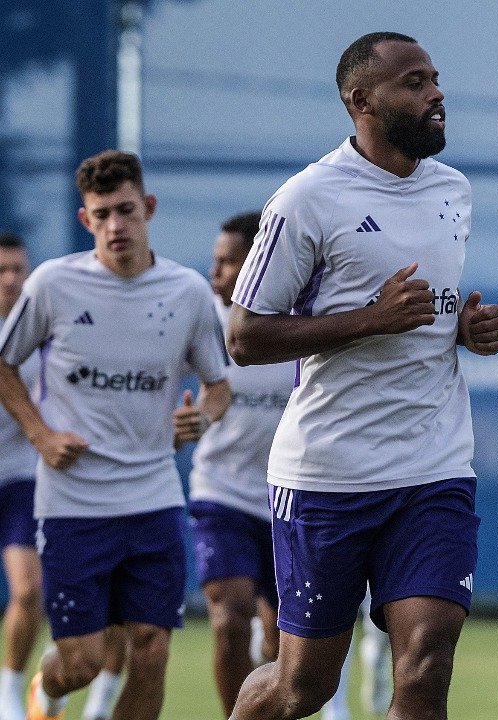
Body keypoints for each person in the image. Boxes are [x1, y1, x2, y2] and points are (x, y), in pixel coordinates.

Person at [224, 31, 498, 720]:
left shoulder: (453, 192)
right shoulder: (308, 199)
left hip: (433, 468)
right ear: (362, 101)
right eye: (414, 82)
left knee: (428, 656)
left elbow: (430, 315)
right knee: (303, 688)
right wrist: (369, 319)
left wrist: (468, 331)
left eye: (435, 78)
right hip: (329, 477)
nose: (435, 93)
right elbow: (244, 336)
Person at [0, 149, 231, 720]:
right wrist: (40, 435)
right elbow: (4, 365)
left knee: (150, 648)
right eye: (101, 214)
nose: (115, 225)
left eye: (125, 210)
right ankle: (42, 690)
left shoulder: (187, 293)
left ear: (148, 208)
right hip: (73, 505)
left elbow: (219, 387)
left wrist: (200, 418)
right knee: (82, 661)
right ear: (85, 221)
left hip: (153, 498)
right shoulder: (55, 284)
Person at [184, 211, 292, 718]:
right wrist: (178, 422)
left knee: (283, 647)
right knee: (229, 619)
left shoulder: (298, 325)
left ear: (259, 268)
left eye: (229, 262)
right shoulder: (199, 319)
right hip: (220, 493)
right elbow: (160, 389)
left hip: (289, 499)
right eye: (215, 261)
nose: (216, 272)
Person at [0, 233, 40, 720]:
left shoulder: (39, 334)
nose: (10, 279)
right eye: (1, 271)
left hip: (19, 476)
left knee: (29, 590)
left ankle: (9, 688)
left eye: (17, 270)